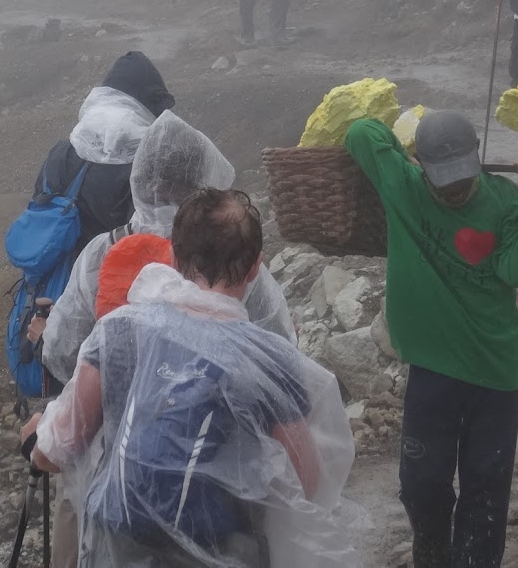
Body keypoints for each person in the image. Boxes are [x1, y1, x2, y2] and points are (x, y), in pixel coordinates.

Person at [23, 189, 356, 568]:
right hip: (220, 549)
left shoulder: (119, 329)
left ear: (174, 257)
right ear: (254, 267)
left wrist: (37, 436)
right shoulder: (269, 359)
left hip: (117, 542)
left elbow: (60, 446)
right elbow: (305, 482)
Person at [35, 112, 295, 568]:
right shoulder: (242, 270)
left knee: (77, 526)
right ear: (204, 184)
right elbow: (282, 364)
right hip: (218, 489)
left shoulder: (103, 253)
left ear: (140, 177)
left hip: (112, 481)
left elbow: (60, 354)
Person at [344, 111, 518, 568]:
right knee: (422, 484)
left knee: (486, 489)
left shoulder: (504, 200)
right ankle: (431, 555)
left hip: (494, 369)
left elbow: (514, 272)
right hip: (433, 370)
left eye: (462, 175)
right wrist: (402, 155)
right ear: (420, 164)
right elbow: (360, 131)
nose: (453, 189)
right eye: (442, 177)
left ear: (478, 157)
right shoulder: (403, 185)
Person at [34, 52, 176, 256]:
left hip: (57, 278)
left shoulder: (62, 153)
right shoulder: (146, 166)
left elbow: (41, 208)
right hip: (112, 280)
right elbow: (153, 240)